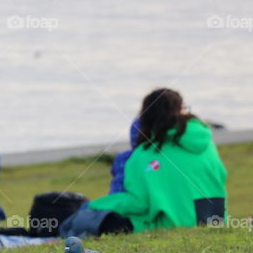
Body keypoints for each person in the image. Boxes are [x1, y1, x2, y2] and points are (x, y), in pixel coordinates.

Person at [87, 88, 227, 232]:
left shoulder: (143, 154)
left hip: (171, 225)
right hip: (214, 221)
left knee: (93, 222)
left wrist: (95, 205)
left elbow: (138, 203)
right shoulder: (207, 144)